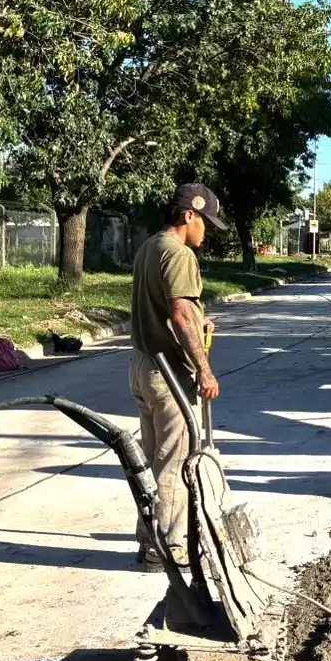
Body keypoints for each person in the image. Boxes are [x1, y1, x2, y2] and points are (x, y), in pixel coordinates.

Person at [128, 182, 225, 570]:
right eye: (206, 223)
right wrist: (204, 368)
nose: (207, 231)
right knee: (173, 464)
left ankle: (147, 537)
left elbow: (177, 310)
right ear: (189, 215)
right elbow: (180, 313)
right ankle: (166, 549)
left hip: (142, 366)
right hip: (169, 373)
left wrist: (200, 322)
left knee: (152, 462)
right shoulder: (179, 253)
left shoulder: (149, 247)